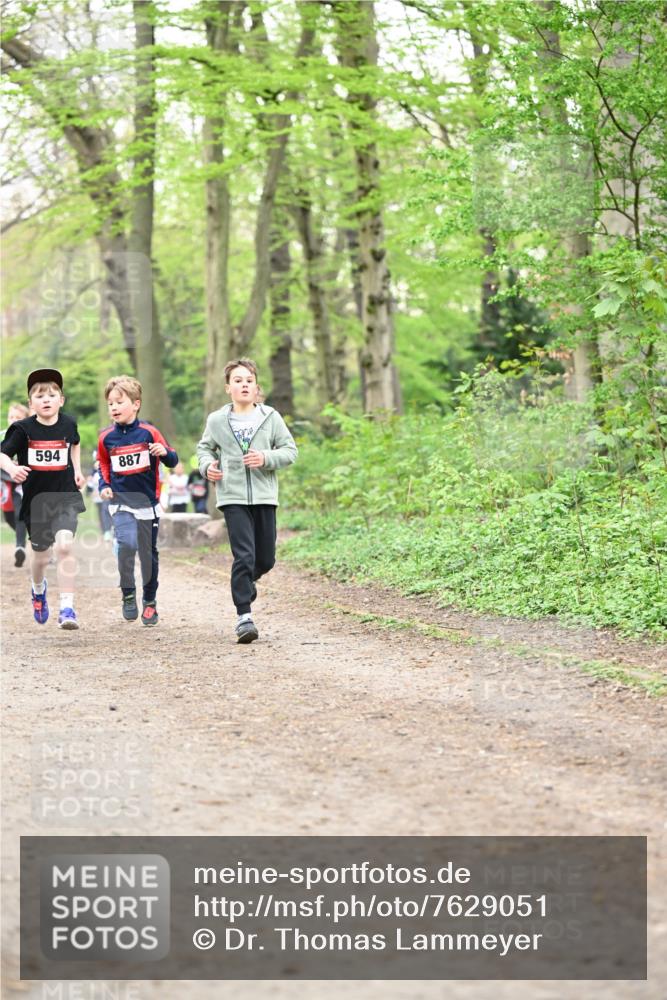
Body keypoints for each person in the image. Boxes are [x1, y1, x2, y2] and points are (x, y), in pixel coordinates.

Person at [196, 357, 297, 644]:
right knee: (244, 555)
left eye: (249, 381)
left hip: (265, 495)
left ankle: (246, 581)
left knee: (265, 558)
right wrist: (208, 467)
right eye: (238, 381)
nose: (244, 385)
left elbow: (290, 451)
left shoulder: (270, 417)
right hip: (232, 495)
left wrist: (266, 458)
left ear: (256, 387)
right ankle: (244, 617)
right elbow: (204, 449)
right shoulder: (217, 420)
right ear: (228, 388)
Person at [0, 369, 86, 629]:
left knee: (64, 547)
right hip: (37, 503)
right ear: (30, 404)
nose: (46, 399)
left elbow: (75, 443)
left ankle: (67, 608)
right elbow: (2, 454)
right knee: (40, 557)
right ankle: (38, 590)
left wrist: (78, 470)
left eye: (52, 394)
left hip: (65, 497)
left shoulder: (69, 424)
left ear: (61, 399)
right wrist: (12, 469)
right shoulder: (22, 430)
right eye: (39, 396)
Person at [97, 375, 178, 626]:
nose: (114, 407)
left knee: (148, 554)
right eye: (110, 403)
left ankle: (150, 602)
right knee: (127, 545)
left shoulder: (149, 432)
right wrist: (105, 485)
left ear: (136, 404)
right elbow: (103, 464)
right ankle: (128, 594)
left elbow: (172, 460)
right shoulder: (106, 437)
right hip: (120, 502)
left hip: (148, 504)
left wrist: (163, 452)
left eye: (119, 402)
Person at [1, 402, 30, 566]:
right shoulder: (2, 435)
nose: (13, 420)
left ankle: (20, 547)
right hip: (5, 480)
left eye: (18, 418)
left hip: (22, 482)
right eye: (11, 417)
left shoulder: (30, 437)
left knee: (20, 512)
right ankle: (28, 536)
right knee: (9, 517)